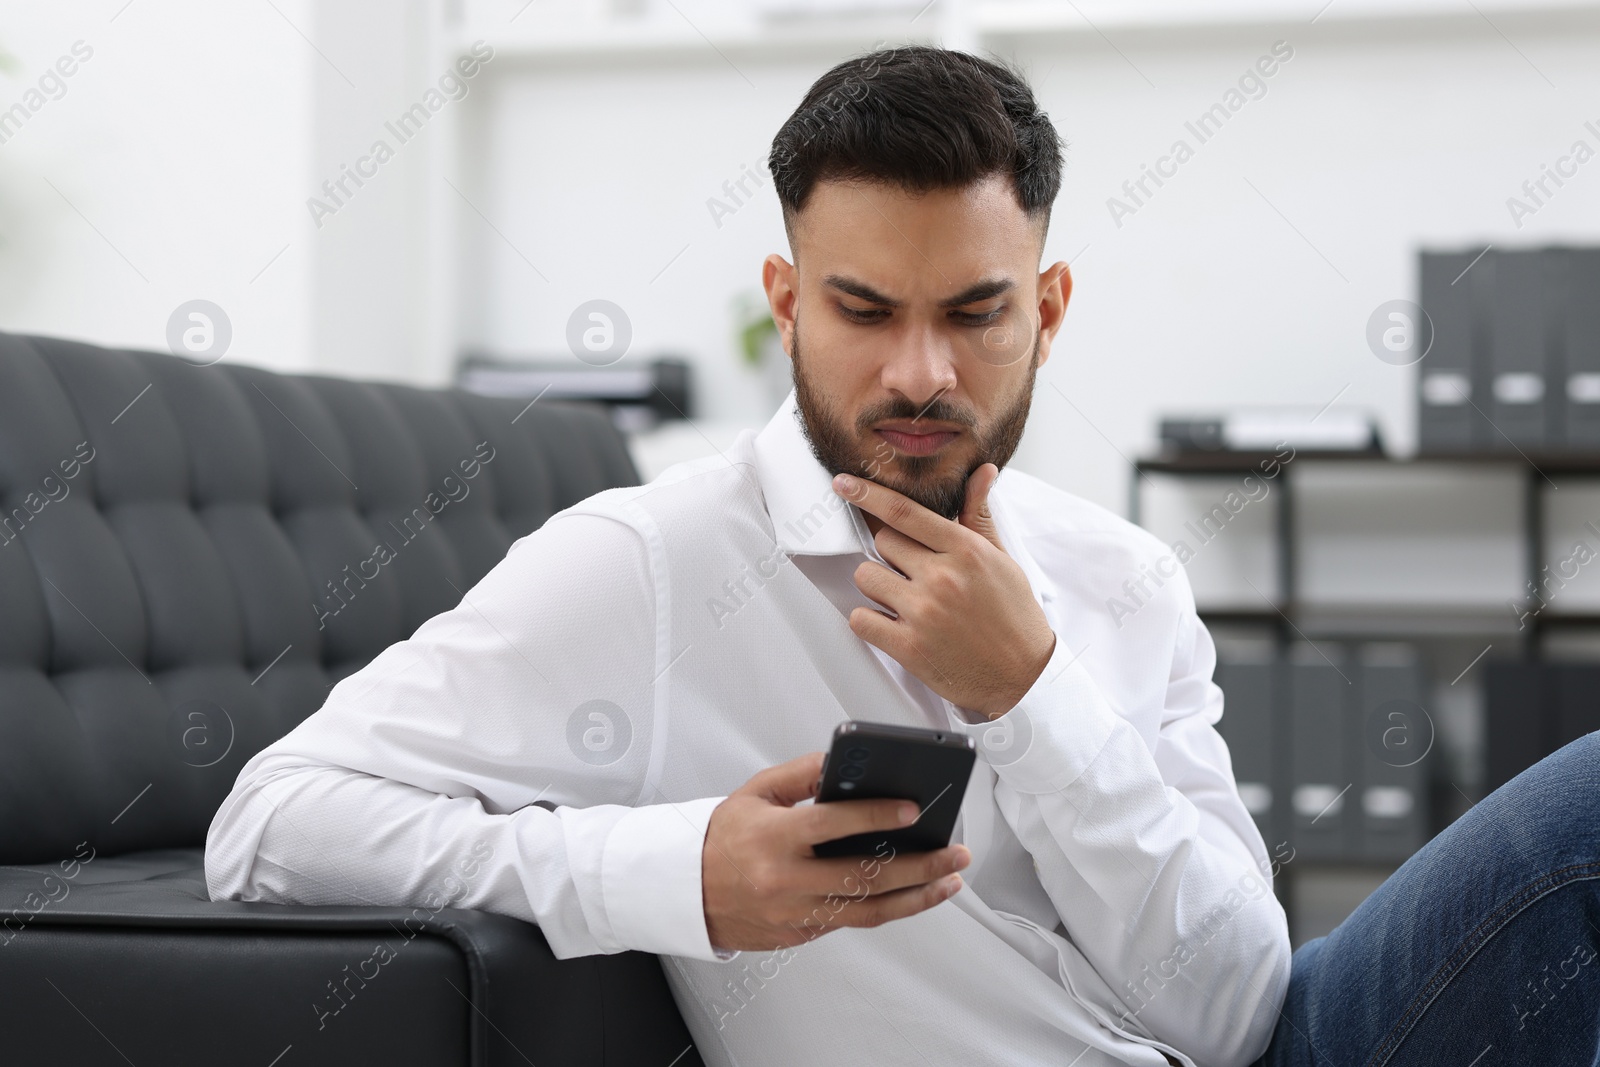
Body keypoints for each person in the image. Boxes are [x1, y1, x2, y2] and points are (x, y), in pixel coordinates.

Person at [205, 44, 1600, 1066]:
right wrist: (674, 870)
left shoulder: (1122, 578)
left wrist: (1032, 697)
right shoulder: (650, 562)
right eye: (863, 309)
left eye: (976, 311)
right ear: (786, 303)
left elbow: (1240, 1012)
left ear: (1047, 309)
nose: (919, 372)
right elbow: (268, 828)